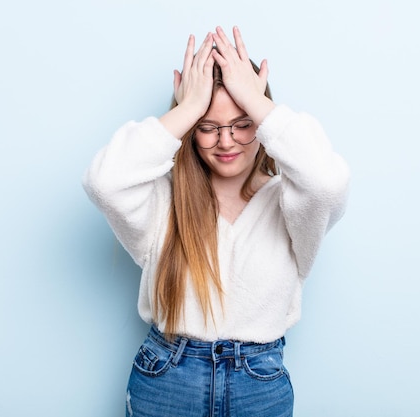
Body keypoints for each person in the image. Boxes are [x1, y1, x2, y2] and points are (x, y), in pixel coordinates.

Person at [83, 26, 350, 417]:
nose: (226, 142)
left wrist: (257, 104)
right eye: (208, 128)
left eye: (243, 124)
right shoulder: (163, 199)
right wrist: (187, 109)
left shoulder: (293, 203)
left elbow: (327, 182)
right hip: (166, 379)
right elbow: (104, 182)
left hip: (258, 384)